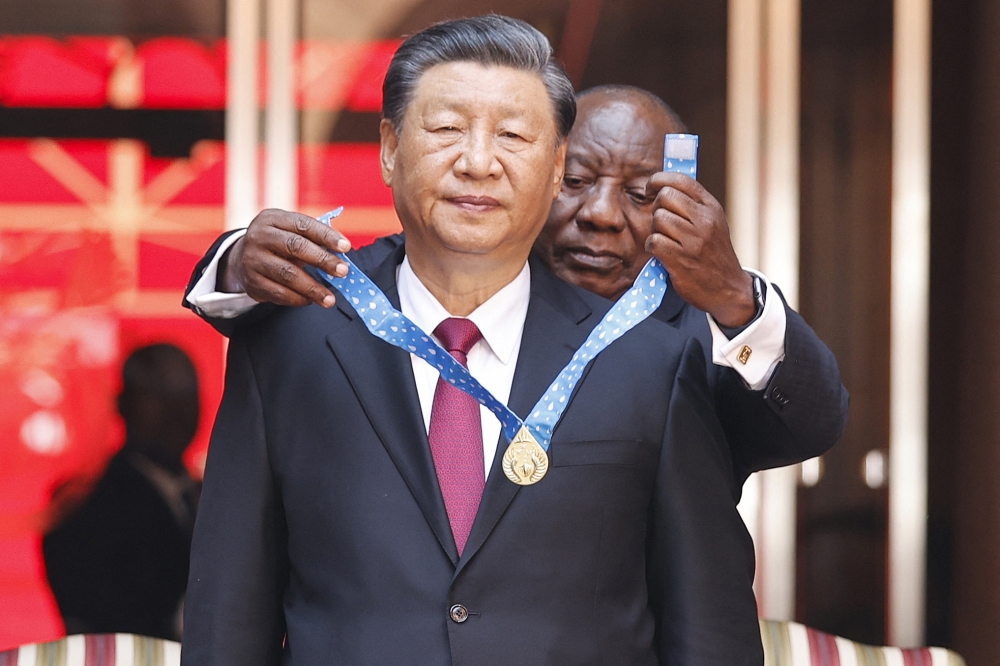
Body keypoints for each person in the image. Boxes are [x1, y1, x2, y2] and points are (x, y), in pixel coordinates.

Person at [182, 15, 761, 666]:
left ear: (555, 166)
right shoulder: (294, 340)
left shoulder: (644, 358)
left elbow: (711, 630)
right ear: (389, 148)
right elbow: (227, 618)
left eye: (513, 135)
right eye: (447, 129)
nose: (479, 162)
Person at [185, 91, 848, 497]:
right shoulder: (430, 300)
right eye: (577, 180)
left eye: (642, 194)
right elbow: (299, 309)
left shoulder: (695, 338)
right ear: (533, 176)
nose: (602, 214)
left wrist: (734, 295)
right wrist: (239, 261)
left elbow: (814, 424)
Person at [43, 343, 201, 641]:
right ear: (124, 403)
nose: (175, 412)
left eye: (186, 395)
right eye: (157, 395)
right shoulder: (85, 506)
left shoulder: (214, 496)